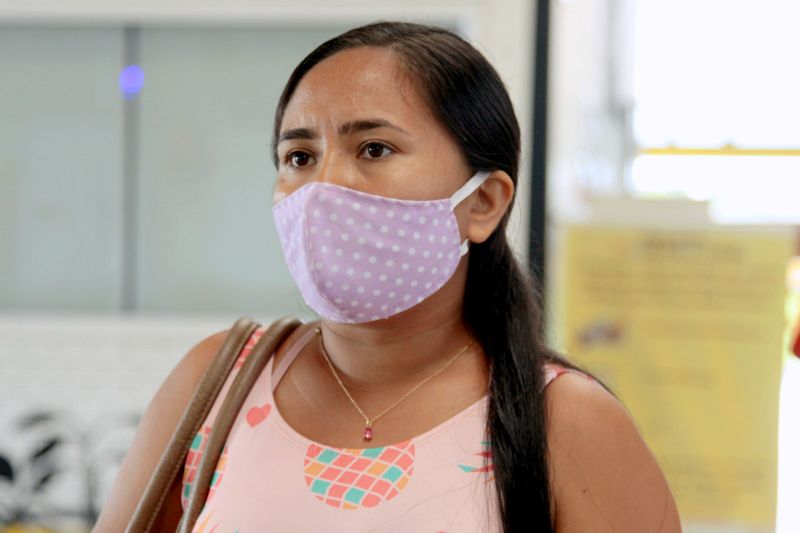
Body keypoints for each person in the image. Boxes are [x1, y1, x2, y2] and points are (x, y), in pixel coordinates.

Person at [94, 21, 681, 533]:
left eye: (373, 149)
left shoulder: (566, 420)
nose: (323, 187)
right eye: (299, 157)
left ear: (484, 204)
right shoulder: (219, 383)